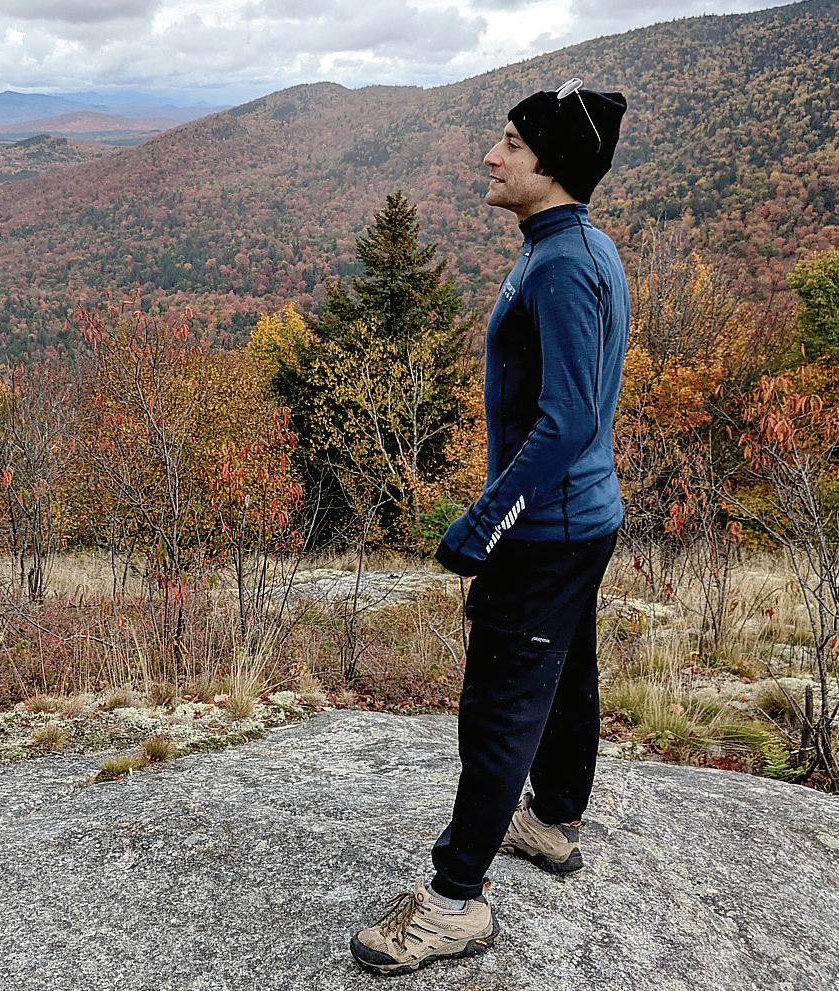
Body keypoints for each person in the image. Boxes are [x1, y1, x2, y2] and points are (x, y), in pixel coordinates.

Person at [349, 79, 631, 976]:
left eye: (510, 142)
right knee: (568, 672)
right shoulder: (578, 245)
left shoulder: (561, 266)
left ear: (552, 163)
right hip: (582, 518)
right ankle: (553, 820)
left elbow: (568, 419)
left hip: (545, 529)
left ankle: (452, 903)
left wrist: (484, 522)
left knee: (500, 707)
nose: (491, 154)